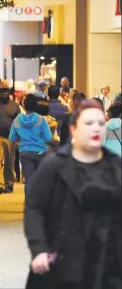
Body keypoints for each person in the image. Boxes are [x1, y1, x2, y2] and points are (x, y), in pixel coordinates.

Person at [24, 99, 122, 289]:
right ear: (74, 130)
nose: (96, 129)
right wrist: (39, 249)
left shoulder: (115, 166)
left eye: (101, 124)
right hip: (65, 259)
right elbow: (34, 206)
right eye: (89, 123)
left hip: (108, 262)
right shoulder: (54, 166)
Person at [8, 94, 52, 195]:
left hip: (25, 153)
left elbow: (12, 138)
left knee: (29, 179)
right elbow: (48, 138)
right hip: (40, 152)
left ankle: (29, 203)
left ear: (24, 105)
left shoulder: (17, 120)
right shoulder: (41, 119)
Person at [0, 81, 21, 194]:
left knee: (9, 162)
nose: (4, 93)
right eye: (1, 91)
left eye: (6, 90)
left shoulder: (15, 106)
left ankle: (9, 182)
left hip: (10, 137)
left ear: (9, 92)